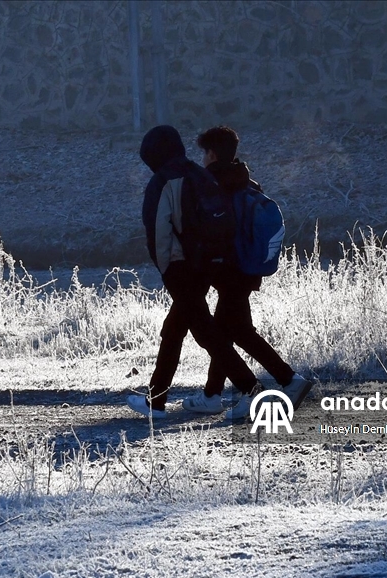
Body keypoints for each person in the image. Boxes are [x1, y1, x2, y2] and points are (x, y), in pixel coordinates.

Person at [127, 124, 265, 421]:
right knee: (175, 329)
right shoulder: (197, 173)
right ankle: (156, 400)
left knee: (206, 333)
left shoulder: (162, 181)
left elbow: (159, 234)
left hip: (181, 268)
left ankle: (251, 389)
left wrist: (167, 272)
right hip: (207, 264)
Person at [181, 126, 312, 415]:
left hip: (229, 271)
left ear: (212, 154)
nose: (202, 159)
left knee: (232, 332)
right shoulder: (246, 181)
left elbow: (211, 232)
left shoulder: (214, 184)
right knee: (229, 331)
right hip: (247, 268)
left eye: (204, 153)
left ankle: (284, 382)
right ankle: (213, 394)